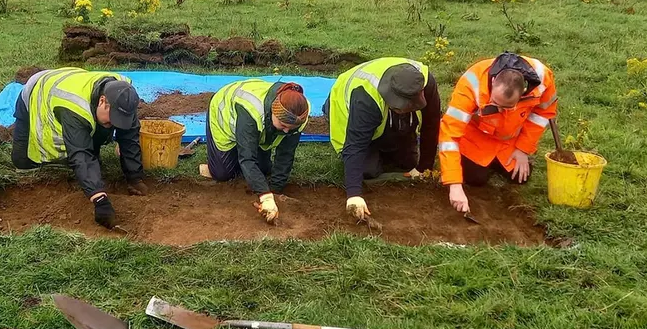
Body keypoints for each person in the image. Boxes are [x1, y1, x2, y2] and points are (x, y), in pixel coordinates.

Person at [11, 68, 146, 229]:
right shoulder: (74, 105)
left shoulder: (125, 94)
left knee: (96, 140)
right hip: (37, 91)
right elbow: (81, 154)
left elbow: (129, 137)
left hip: (71, 81)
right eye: (113, 118)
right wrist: (99, 199)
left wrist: (134, 177)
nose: (115, 124)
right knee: (22, 161)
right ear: (102, 101)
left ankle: (88, 169)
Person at [439, 52, 558, 213]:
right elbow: (449, 135)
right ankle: (481, 162)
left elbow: (542, 114)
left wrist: (523, 149)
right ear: (493, 81)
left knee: (520, 178)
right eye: (496, 103)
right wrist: (454, 185)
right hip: (477, 137)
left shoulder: (543, 79)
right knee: (475, 179)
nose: (500, 110)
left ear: (523, 91)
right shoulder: (471, 84)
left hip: (509, 142)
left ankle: (498, 161)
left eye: (507, 107)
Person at [326, 57, 441, 221]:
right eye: (396, 105)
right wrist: (354, 195)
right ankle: (377, 148)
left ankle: (389, 144)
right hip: (347, 112)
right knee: (368, 170)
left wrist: (424, 167)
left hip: (384, 117)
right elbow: (355, 145)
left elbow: (431, 123)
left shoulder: (426, 82)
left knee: (407, 163)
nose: (398, 107)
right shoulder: (366, 97)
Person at [199, 79, 309, 224]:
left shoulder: (299, 114)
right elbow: (247, 158)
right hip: (225, 117)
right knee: (222, 173)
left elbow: (286, 154)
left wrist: (275, 190)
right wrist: (266, 197)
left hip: (261, 127)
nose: (287, 130)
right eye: (283, 125)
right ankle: (219, 162)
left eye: (290, 127)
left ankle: (248, 160)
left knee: (263, 169)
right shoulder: (251, 110)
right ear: (272, 112)